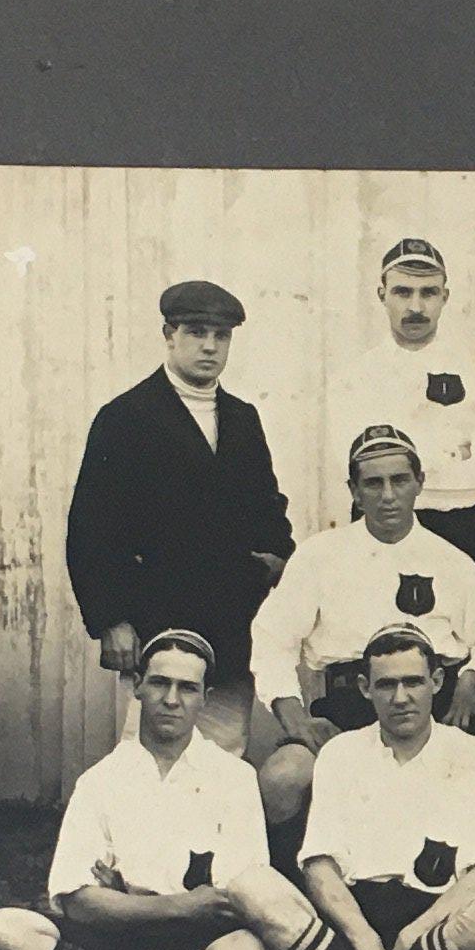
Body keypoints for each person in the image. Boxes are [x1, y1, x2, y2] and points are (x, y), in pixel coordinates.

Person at [0, 628, 308, 950]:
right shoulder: (100, 781)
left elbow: (229, 901)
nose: (171, 700)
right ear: (137, 688)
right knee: (4, 930)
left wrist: (123, 894)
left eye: (187, 688)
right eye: (160, 684)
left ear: (205, 698)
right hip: (118, 942)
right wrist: (179, 903)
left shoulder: (235, 779)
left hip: (192, 946)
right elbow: (77, 899)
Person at [252, 621, 475, 950]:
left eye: (413, 682)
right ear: (365, 687)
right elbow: (319, 866)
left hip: (434, 923)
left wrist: (416, 933)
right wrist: (362, 938)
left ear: (436, 681)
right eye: (386, 685)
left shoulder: (474, 754)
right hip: (353, 915)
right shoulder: (341, 753)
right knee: (255, 886)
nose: (401, 698)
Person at [247, 421, 475, 829]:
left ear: (419, 483)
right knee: (284, 777)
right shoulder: (319, 556)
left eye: (400, 480)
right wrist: (293, 715)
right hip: (351, 708)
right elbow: (271, 636)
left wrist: (472, 679)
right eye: (373, 483)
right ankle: (297, 889)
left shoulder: (452, 559)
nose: (387, 496)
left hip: (435, 707)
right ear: (354, 490)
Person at [62, 281, 295, 729]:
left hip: (230, 624)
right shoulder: (125, 418)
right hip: (157, 622)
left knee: (225, 753)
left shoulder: (242, 418)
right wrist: (112, 620)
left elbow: (268, 505)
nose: (210, 346)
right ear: (169, 335)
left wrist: (274, 559)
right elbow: (91, 528)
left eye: (221, 335)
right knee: (155, 754)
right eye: (196, 332)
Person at [324, 234, 475, 596]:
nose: (415, 306)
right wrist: (456, 455)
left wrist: (411, 468)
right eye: (402, 292)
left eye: (428, 292)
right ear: (382, 295)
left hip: (466, 532)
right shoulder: (354, 378)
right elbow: (355, 470)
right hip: (382, 535)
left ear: (445, 296)